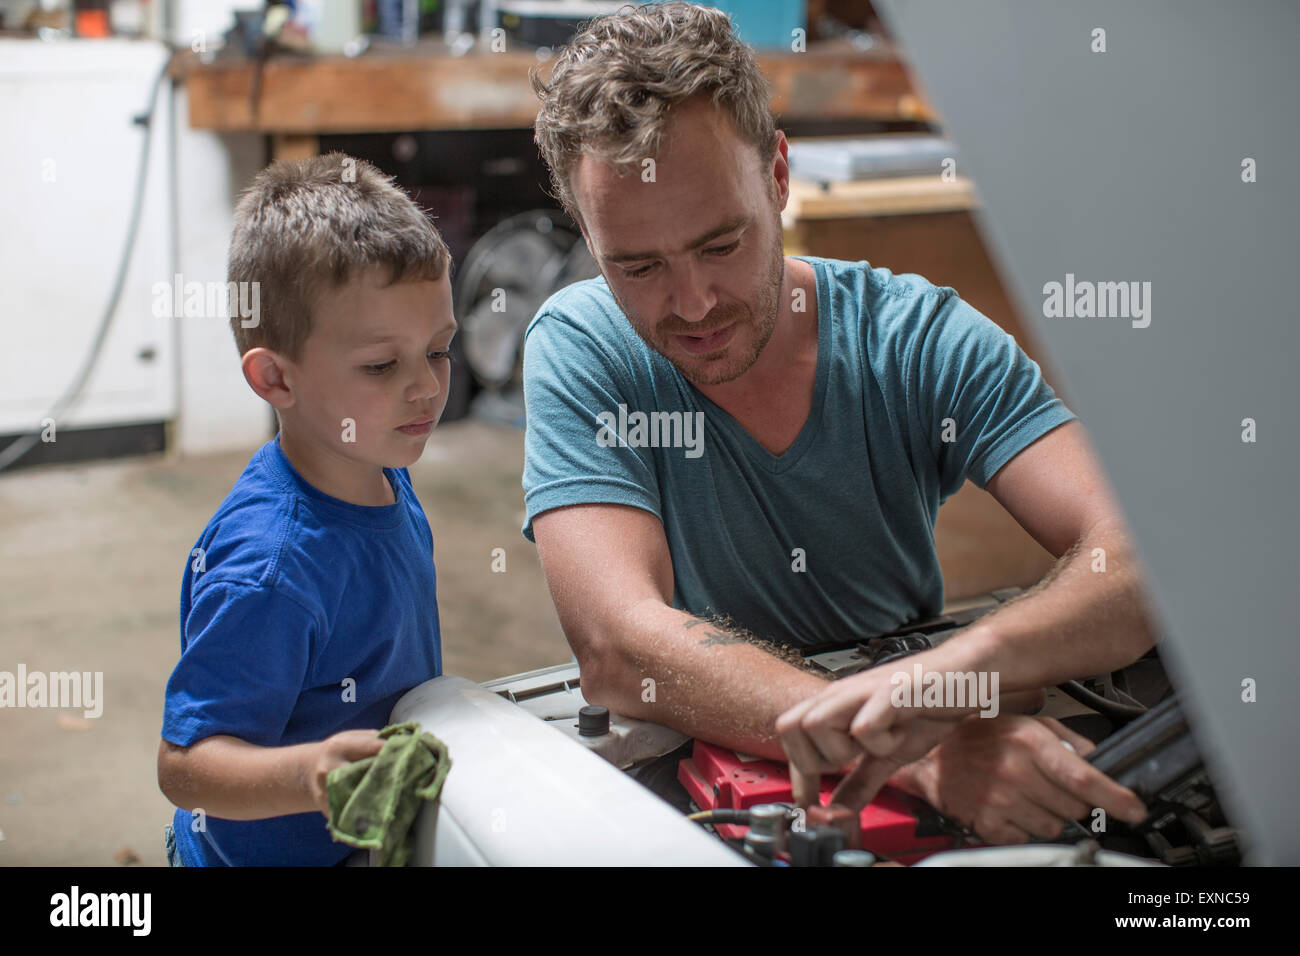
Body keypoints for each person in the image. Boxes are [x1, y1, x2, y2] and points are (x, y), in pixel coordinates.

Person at [523, 2, 1156, 844]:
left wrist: (952, 680)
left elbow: (1142, 559)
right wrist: (907, 751)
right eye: (637, 266)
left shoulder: (916, 340)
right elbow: (618, 645)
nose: (694, 303)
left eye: (721, 245)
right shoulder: (583, 345)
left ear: (778, 177)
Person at [156, 154, 456, 865]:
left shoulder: (379, 468)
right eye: (382, 365)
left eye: (439, 350)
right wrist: (309, 772)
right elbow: (186, 765)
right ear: (274, 378)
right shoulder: (272, 569)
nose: (425, 389)